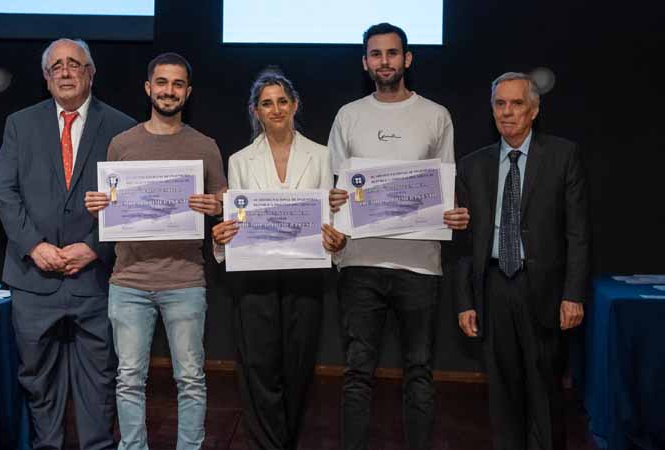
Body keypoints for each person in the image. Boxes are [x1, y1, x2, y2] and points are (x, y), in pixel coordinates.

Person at [326, 23, 469, 450]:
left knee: (420, 370)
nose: (384, 61)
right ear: (365, 62)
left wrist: (453, 213)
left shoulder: (436, 115)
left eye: (392, 53)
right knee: (356, 372)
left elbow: (444, 185)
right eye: (375, 54)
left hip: (419, 265)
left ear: (407, 59)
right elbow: (332, 186)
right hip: (358, 263)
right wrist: (332, 197)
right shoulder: (348, 115)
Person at [0, 38, 136, 450]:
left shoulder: (122, 127)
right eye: (57, 67)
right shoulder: (20, 123)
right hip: (33, 279)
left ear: (91, 73)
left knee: (100, 381)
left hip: (97, 279)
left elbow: (130, 200)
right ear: (46, 77)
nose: (66, 72)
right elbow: (4, 192)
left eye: (75, 64)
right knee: (38, 383)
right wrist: (34, 246)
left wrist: (94, 246)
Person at [84, 52, 227, 450]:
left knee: (191, 379)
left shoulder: (205, 146)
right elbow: (113, 209)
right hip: (128, 281)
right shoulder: (122, 144)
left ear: (188, 92)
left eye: (177, 84)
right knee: (129, 379)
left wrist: (217, 208)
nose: (169, 91)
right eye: (161, 83)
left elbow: (224, 206)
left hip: (185, 279)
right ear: (148, 88)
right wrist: (100, 206)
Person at [211, 68, 347, 450]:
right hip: (255, 279)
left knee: (297, 369)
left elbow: (331, 219)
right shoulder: (239, 160)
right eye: (266, 103)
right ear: (256, 111)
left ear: (295, 105)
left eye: (282, 101)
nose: (275, 109)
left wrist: (337, 240)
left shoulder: (322, 156)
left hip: (305, 277)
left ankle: (285, 441)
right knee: (258, 368)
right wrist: (222, 237)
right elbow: (235, 220)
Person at [455, 72, 589, 450]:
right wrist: (465, 301)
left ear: (534, 109)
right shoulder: (472, 166)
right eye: (500, 104)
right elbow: (464, 243)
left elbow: (578, 233)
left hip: (543, 288)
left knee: (545, 392)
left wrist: (573, 294)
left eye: (516, 104)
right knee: (502, 395)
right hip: (494, 286)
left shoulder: (563, 156)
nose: (508, 112)